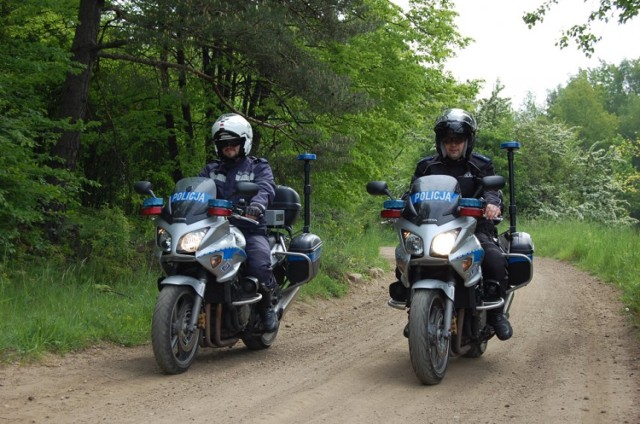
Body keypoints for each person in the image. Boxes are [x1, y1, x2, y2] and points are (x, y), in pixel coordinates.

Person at [396, 108, 513, 341]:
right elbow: (411, 193)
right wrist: (399, 204)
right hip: (435, 225)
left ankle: (496, 314)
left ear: (467, 141)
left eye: (458, 140)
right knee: (407, 254)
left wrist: (492, 204)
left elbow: (492, 190)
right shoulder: (426, 166)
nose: (453, 145)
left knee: (494, 260)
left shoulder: (481, 165)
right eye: (448, 140)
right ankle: (416, 311)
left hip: (473, 226)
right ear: (441, 142)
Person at [198, 113, 278, 332]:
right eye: (224, 143)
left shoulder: (258, 167)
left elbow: (265, 188)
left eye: (233, 142)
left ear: (244, 142)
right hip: (214, 229)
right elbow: (195, 191)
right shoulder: (211, 170)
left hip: (248, 228)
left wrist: (258, 206)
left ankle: (266, 304)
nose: (228, 146)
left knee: (259, 265)